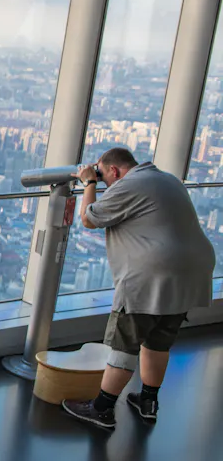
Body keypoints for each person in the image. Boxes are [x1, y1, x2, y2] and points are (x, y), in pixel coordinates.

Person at [62, 148, 216, 430]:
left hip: (152, 275)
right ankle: (148, 402)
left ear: (115, 172)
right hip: (192, 270)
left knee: (125, 343)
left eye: (105, 178)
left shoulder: (129, 184)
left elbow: (89, 218)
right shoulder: (168, 179)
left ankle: (102, 409)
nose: (108, 185)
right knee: (158, 340)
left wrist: (89, 182)